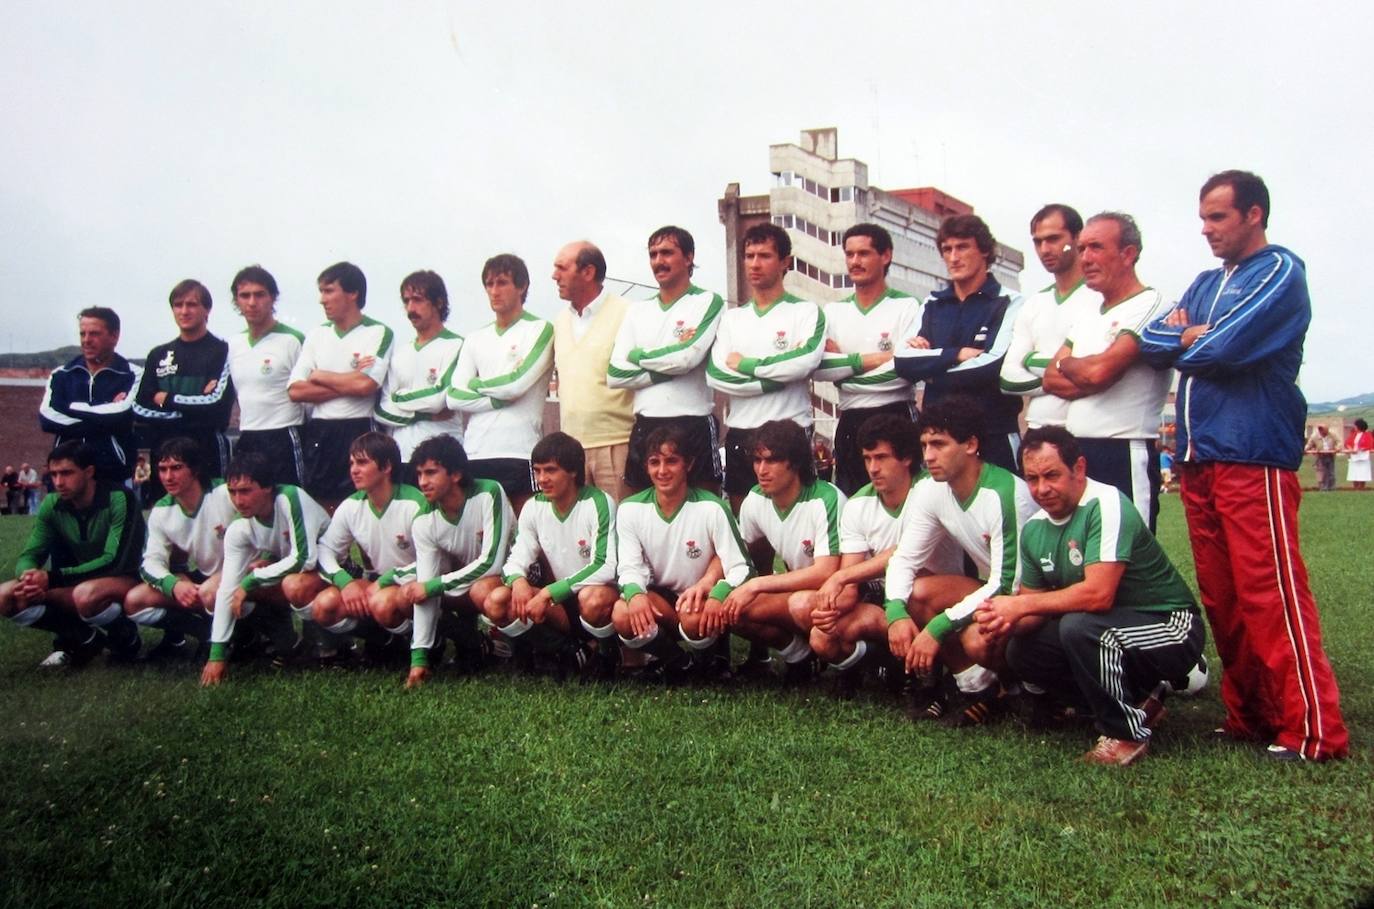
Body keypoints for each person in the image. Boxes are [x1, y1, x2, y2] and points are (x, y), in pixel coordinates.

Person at [1139, 169, 1348, 761]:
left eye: (1218, 217)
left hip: (1252, 455)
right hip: (1200, 460)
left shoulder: (1281, 271)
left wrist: (1189, 341)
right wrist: (1183, 337)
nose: (1206, 229)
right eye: (1202, 218)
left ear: (1254, 214)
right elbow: (1151, 338)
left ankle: (1314, 730)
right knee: (1223, 599)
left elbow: (1220, 348)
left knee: (1271, 594)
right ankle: (1252, 715)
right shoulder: (1206, 281)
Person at [976, 427, 1206, 766]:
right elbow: (1034, 609)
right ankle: (1138, 703)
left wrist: (1021, 604)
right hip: (1107, 629)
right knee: (1023, 650)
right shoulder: (1036, 529)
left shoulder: (1106, 503)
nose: (1041, 489)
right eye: (1032, 478)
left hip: (1170, 625)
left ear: (1079, 468)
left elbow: (1098, 595)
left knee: (1080, 627)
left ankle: (1127, 734)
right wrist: (1003, 619)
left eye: (1051, 475)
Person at [884, 397, 1037, 725]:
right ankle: (978, 689)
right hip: (999, 591)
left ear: (971, 444)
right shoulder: (930, 489)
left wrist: (937, 628)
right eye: (925, 444)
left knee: (978, 637)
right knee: (918, 593)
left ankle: (1031, 693)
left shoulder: (1004, 493)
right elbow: (904, 558)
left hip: (1035, 600)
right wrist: (895, 613)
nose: (928, 456)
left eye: (939, 444)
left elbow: (1007, 585)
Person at [1039, 213, 1172, 532]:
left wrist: (1080, 367)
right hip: (1078, 450)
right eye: (1082, 248)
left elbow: (1099, 372)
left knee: (1128, 554)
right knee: (1085, 553)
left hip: (1123, 449)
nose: (1085, 258)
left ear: (1128, 253)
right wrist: (1089, 371)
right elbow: (1050, 378)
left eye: (1096, 247)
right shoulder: (1088, 314)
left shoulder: (1152, 303)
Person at [800, 414, 936, 692]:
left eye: (882, 457)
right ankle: (879, 660)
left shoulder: (930, 490)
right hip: (886, 600)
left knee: (918, 590)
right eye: (867, 458)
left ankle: (933, 674)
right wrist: (828, 610)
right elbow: (851, 580)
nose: (873, 468)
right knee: (821, 636)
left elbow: (907, 552)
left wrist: (840, 578)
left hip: (930, 598)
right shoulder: (859, 504)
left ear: (907, 458)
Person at [710, 419, 846, 684]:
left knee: (801, 604)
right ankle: (800, 657)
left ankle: (853, 666)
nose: (762, 470)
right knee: (733, 607)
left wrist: (758, 584)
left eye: (771, 461)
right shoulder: (756, 499)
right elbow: (734, 553)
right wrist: (713, 587)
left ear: (794, 462)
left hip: (840, 597)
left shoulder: (826, 499)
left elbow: (826, 572)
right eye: (757, 460)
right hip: (799, 595)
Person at [614, 424, 751, 680]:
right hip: (662, 599)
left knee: (692, 617)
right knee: (622, 614)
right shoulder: (630, 509)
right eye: (654, 462)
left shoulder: (712, 507)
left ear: (688, 464)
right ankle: (678, 661)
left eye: (671, 461)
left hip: (700, 598)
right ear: (646, 466)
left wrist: (716, 593)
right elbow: (630, 567)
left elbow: (741, 566)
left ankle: (711, 658)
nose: (662, 471)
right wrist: (634, 594)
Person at [706, 222, 826, 509]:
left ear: (785, 262)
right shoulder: (731, 319)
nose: (755, 264)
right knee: (749, 535)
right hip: (741, 432)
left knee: (797, 532)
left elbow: (804, 361)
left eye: (765, 256)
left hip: (790, 430)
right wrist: (779, 376)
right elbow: (716, 375)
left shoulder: (806, 312)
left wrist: (745, 364)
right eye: (749, 256)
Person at [894, 214, 1024, 472]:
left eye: (962, 247)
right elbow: (902, 362)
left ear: (985, 250)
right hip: (940, 441)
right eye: (947, 249)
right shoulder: (932, 303)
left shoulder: (1010, 302)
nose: (953, 257)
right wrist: (957, 354)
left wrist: (931, 370)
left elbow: (993, 365)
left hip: (993, 436)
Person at [0, 441, 145, 667]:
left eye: (66, 473)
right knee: (5, 595)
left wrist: (52, 579)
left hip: (127, 579)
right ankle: (85, 638)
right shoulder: (52, 503)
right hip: (79, 582)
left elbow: (115, 561)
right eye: (54, 474)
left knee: (86, 596)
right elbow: (32, 552)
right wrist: (28, 576)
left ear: (89, 472)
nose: (58, 482)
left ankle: (125, 637)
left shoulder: (119, 498)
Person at [485, 432, 618, 676]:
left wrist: (548, 592)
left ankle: (608, 655)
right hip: (559, 604)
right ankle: (566, 650)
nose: (542, 479)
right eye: (537, 471)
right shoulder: (534, 506)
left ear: (573, 471)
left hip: (595, 597)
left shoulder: (598, 502)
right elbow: (516, 558)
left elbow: (606, 565)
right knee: (497, 601)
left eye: (550, 470)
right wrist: (519, 582)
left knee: (593, 598)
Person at [385, 434, 513, 688]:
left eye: (431, 473)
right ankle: (470, 643)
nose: (423, 482)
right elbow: (426, 582)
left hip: (514, 579)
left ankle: (524, 648)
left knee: (483, 590)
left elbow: (492, 563)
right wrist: (418, 659)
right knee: (405, 596)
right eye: (419, 474)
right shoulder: (423, 520)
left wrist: (432, 586)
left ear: (455, 474)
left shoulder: (489, 492)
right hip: (465, 584)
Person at [608, 226, 725, 494]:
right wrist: (669, 368)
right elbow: (615, 373)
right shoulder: (637, 311)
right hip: (646, 423)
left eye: (667, 253)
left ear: (688, 257)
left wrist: (639, 355)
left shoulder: (707, 301)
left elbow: (687, 357)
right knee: (632, 511)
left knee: (705, 512)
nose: (658, 261)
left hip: (693, 422)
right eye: (653, 254)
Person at [200, 451, 329, 687]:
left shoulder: (289, 497)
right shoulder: (239, 528)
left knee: (292, 585)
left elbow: (305, 559)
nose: (238, 500)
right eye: (232, 491)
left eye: (246, 491)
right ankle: (284, 642)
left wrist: (250, 582)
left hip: (331, 573)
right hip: (292, 577)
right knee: (218, 589)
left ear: (268, 486)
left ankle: (330, 645)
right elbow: (228, 587)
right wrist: (216, 655)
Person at [297, 432, 428, 664]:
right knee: (324, 606)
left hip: (415, 583)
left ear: (387, 466)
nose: (354, 470)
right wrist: (344, 582)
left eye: (362, 462)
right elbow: (326, 550)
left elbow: (432, 561)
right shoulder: (351, 506)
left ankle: (423, 642)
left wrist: (387, 580)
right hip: (376, 581)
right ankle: (383, 640)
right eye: (352, 463)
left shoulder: (415, 503)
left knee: (383, 603)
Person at [812, 223, 922, 494]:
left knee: (903, 504)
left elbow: (904, 369)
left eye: (863, 253)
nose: (854, 261)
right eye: (849, 254)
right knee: (853, 505)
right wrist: (882, 357)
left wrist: (845, 369)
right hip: (849, 419)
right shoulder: (834, 311)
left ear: (885, 256)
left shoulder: (907, 306)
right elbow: (819, 369)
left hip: (895, 414)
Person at [447, 254, 554, 515]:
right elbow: (453, 397)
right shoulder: (474, 339)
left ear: (522, 286)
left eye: (502, 282)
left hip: (519, 450)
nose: (494, 291)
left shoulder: (540, 329)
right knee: (482, 537)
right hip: (476, 452)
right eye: (489, 284)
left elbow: (516, 385)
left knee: (527, 535)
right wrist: (500, 397)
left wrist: (476, 384)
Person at [288, 262, 394, 508]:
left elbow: (365, 386)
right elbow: (295, 390)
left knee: (366, 508)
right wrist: (349, 379)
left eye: (328, 291)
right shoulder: (317, 335)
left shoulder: (378, 332)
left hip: (359, 429)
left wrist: (319, 375)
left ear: (353, 293)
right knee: (325, 511)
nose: (322, 300)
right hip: (321, 431)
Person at [123, 437, 236, 661]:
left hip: (241, 572)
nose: (167, 477)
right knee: (135, 600)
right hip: (205, 579)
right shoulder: (162, 511)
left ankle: (250, 635)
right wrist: (174, 585)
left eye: (176, 468)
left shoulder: (225, 493)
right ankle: (206, 633)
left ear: (194, 469)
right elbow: (150, 563)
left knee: (210, 592)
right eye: (162, 469)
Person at [1000, 204, 1101, 428]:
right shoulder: (1034, 303)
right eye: (1038, 241)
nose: (1044, 249)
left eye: (1053, 239)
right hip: (1038, 430)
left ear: (1077, 237)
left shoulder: (1100, 296)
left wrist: (1030, 360)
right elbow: (1008, 377)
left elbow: (1094, 368)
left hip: (1084, 432)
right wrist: (1059, 378)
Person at [133, 279, 235, 501]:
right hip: (164, 450)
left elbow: (216, 407)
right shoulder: (158, 354)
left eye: (192, 304)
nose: (184, 311)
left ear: (207, 309)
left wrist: (165, 398)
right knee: (166, 517)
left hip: (206, 448)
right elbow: (140, 406)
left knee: (214, 516)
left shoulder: (223, 350)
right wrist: (192, 406)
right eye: (178, 305)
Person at [552, 240, 635, 501]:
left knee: (620, 533)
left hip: (617, 446)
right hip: (571, 451)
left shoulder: (628, 313)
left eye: (562, 268)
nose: (554, 276)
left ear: (588, 272)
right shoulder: (559, 322)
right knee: (581, 537)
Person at [374, 270, 465, 476]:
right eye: (406, 301)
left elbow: (438, 400)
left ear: (439, 302)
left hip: (442, 461)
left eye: (417, 300)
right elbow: (382, 410)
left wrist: (400, 398)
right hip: (402, 458)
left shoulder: (457, 346)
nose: (410, 308)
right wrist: (422, 414)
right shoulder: (400, 354)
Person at [38, 307, 141, 485]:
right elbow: (47, 418)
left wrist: (70, 407)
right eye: (82, 334)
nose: (86, 340)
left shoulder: (135, 374)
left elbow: (123, 413)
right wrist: (104, 415)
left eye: (94, 334)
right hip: (66, 477)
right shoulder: (61, 374)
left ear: (114, 336)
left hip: (113, 476)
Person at [227, 265, 307, 486]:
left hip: (284, 436)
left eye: (259, 294)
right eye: (245, 296)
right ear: (237, 301)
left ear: (273, 298)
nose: (252, 302)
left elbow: (307, 394)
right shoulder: (233, 344)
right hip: (247, 436)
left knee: (288, 502)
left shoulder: (293, 340)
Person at [1304, 424, 1338, 491]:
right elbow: (1309, 444)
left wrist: (1337, 448)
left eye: (1325, 430)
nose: (1323, 432)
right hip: (1320, 456)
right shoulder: (1314, 436)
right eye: (1321, 430)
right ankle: (1323, 487)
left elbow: (1338, 442)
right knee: (1322, 472)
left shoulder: (1332, 435)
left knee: (1331, 472)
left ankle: (1332, 487)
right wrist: (1305, 449)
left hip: (1330, 455)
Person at [1345, 418, 1372, 490]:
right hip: (1354, 456)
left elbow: (1370, 445)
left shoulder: (1367, 435)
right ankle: (1355, 487)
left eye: (1355, 426)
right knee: (1354, 472)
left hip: (1363, 457)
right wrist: (1351, 449)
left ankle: (1361, 487)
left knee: (1363, 472)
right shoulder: (1354, 434)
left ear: (1359, 426)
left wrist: (1361, 449)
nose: (1354, 427)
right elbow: (1347, 443)